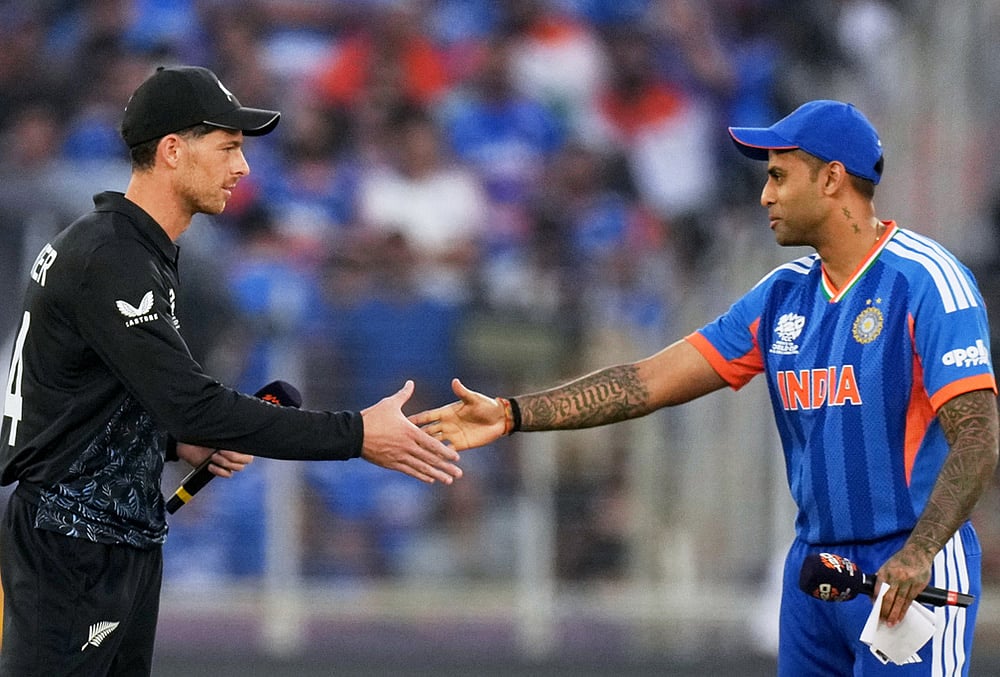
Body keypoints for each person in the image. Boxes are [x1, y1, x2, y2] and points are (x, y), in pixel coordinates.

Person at [413, 100, 999, 675]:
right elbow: (647, 381)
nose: (765, 195)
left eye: (777, 176)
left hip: (906, 570)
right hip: (817, 569)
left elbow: (977, 436)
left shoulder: (928, 282)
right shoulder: (781, 295)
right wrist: (514, 414)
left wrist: (921, 551)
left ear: (831, 179)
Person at [0, 65, 462, 676]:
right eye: (228, 148)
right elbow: (194, 404)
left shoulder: (127, 249)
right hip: (75, 542)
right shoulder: (115, 260)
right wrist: (356, 435)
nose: (242, 168)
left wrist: (171, 442)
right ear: (171, 151)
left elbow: (84, 400)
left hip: (108, 536)